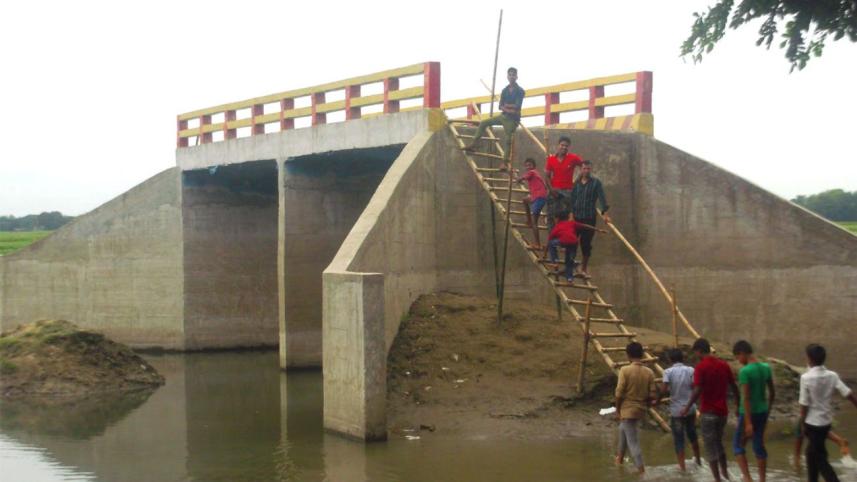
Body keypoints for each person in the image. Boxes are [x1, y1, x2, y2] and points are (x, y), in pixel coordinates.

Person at [681, 338, 740, 482]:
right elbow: (734, 386)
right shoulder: (724, 365)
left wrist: (687, 407)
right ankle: (725, 474)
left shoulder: (701, 367)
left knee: (709, 447)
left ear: (699, 351)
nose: (696, 355)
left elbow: (697, 390)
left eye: (696, 352)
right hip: (723, 413)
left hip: (708, 412)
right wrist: (739, 405)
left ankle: (717, 479)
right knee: (719, 444)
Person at [797, 343, 857, 482]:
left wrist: (802, 423)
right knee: (811, 454)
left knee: (820, 460)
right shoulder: (832, 375)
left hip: (812, 424)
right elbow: (848, 394)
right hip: (825, 423)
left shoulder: (806, 378)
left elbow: (804, 404)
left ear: (809, 359)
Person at [463, 67, 525, 171]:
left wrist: (507, 107)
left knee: (508, 139)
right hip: (504, 116)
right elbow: (500, 106)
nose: (511, 76)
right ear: (507, 76)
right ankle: (473, 145)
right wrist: (508, 108)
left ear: (516, 76)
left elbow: (517, 106)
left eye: (513, 75)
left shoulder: (520, 91)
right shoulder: (504, 90)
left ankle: (504, 163)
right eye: (510, 74)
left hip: (513, 119)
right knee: (483, 123)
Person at [732, 340, 775, 482]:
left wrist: (748, 422)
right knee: (758, 445)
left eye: (738, 357)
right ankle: (762, 479)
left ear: (742, 353)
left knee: (737, 445)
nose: (739, 361)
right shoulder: (766, 367)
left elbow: (746, 398)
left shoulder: (745, 371)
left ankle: (747, 478)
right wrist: (767, 412)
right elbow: (772, 393)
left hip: (748, 414)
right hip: (762, 411)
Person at [614, 341, 657, 474]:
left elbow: (619, 392)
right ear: (642, 354)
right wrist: (646, 404)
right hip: (640, 409)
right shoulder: (649, 372)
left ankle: (642, 471)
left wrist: (617, 409)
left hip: (627, 410)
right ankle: (619, 460)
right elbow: (652, 394)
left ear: (628, 355)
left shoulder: (625, 370)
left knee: (633, 442)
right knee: (623, 430)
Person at [661, 348, 701, 471]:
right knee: (692, 434)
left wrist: (656, 401)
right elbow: (695, 387)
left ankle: (682, 467)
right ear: (682, 358)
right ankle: (698, 460)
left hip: (676, 411)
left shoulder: (668, 372)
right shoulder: (691, 370)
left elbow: (664, 390)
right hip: (690, 409)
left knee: (679, 439)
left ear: (670, 360)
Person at [569, 160, 611, 276]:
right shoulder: (576, 183)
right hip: (576, 218)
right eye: (584, 168)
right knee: (572, 242)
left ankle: (584, 269)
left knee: (585, 244)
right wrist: (571, 214)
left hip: (589, 218)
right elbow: (572, 200)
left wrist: (605, 214)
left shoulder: (596, 183)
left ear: (590, 169)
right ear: (581, 169)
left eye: (588, 169)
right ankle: (571, 267)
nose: (586, 171)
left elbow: (602, 198)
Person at [542, 211, 606, 283]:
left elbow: (549, 242)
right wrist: (597, 229)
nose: (554, 221)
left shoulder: (557, 226)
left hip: (564, 242)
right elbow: (585, 226)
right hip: (574, 243)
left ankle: (555, 261)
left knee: (551, 243)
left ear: (557, 219)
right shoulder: (572, 223)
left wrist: (544, 254)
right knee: (569, 261)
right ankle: (570, 279)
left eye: (555, 219)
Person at [544, 136, 584, 233]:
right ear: (558, 145)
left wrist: (577, 181)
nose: (564, 147)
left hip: (567, 192)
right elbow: (547, 176)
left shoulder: (573, 158)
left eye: (566, 146)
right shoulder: (551, 159)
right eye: (562, 145)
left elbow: (584, 166)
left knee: (565, 217)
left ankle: (562, 241)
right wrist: (551, 189)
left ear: (568, 147)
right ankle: (552, 240)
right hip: (554, 191)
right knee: (550, 216)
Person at [515, 158, 548, 248]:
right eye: (526, 165)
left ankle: (537, 244)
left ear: (534, 166)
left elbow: (524, 177)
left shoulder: (533, 172)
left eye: (530, 165)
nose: (528, 167)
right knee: (525, 200)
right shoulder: (534, 173)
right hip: (536, 196)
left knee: (535, 222)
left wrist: (518, 179)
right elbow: (527, 177)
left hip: (539, 197)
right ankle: (528, 220)